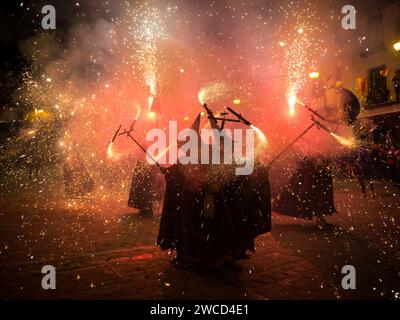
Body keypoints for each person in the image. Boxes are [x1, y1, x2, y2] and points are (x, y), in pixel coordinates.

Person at [273, 157, 336, 229]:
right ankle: (320, 219)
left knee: (321, 192)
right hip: (313, 167)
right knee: (314, 192)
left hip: (321, 167)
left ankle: (321, 218)